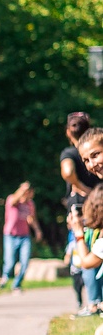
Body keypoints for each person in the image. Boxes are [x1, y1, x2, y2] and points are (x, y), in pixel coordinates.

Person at [61, 112, 101, 311]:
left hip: (83, 213)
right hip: (91, 214)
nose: (92, 164)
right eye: (87, 160)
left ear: (69, 132)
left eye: (96, 155)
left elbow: (67, 172)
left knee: (87, 255)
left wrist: (83, 190)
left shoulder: (69, 153)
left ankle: (94, 302)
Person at [0, 181, 42, 292]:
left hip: (24, 236)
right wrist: (22, 190)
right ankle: (5, 276)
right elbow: (13, 201)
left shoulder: (30, 204)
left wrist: (37, 230)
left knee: (25, 261)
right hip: (10, 235)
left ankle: (16, 284)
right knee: (9, 262)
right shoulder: (12, 199)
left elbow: (32, 218)